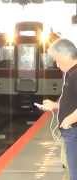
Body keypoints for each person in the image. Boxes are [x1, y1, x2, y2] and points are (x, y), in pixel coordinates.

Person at [42, 38, 77, 180]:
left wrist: (70, 119)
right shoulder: (71, 73)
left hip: (73, 131)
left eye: (57, 59)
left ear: (65, 56)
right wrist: (56, 106)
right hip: (71, 131)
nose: (56, 64)